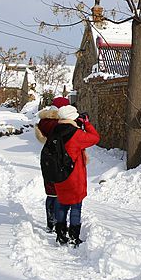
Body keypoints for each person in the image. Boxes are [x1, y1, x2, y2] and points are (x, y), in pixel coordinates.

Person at [50, 105, 99, 246]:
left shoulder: (55, 131)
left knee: (61, 205)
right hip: (74, 177)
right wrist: (86, 123)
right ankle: (73, 237)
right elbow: (95, 138)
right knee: (75, 207)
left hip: (59, 176)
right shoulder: (76, 135)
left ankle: (60, 234)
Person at [35, 96, 70, 232]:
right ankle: (58, 222)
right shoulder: (61, 123)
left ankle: (51, 223)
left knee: (51, 193)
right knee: (59, 193)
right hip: (59, 158)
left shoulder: (44, 122)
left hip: (47, 158)